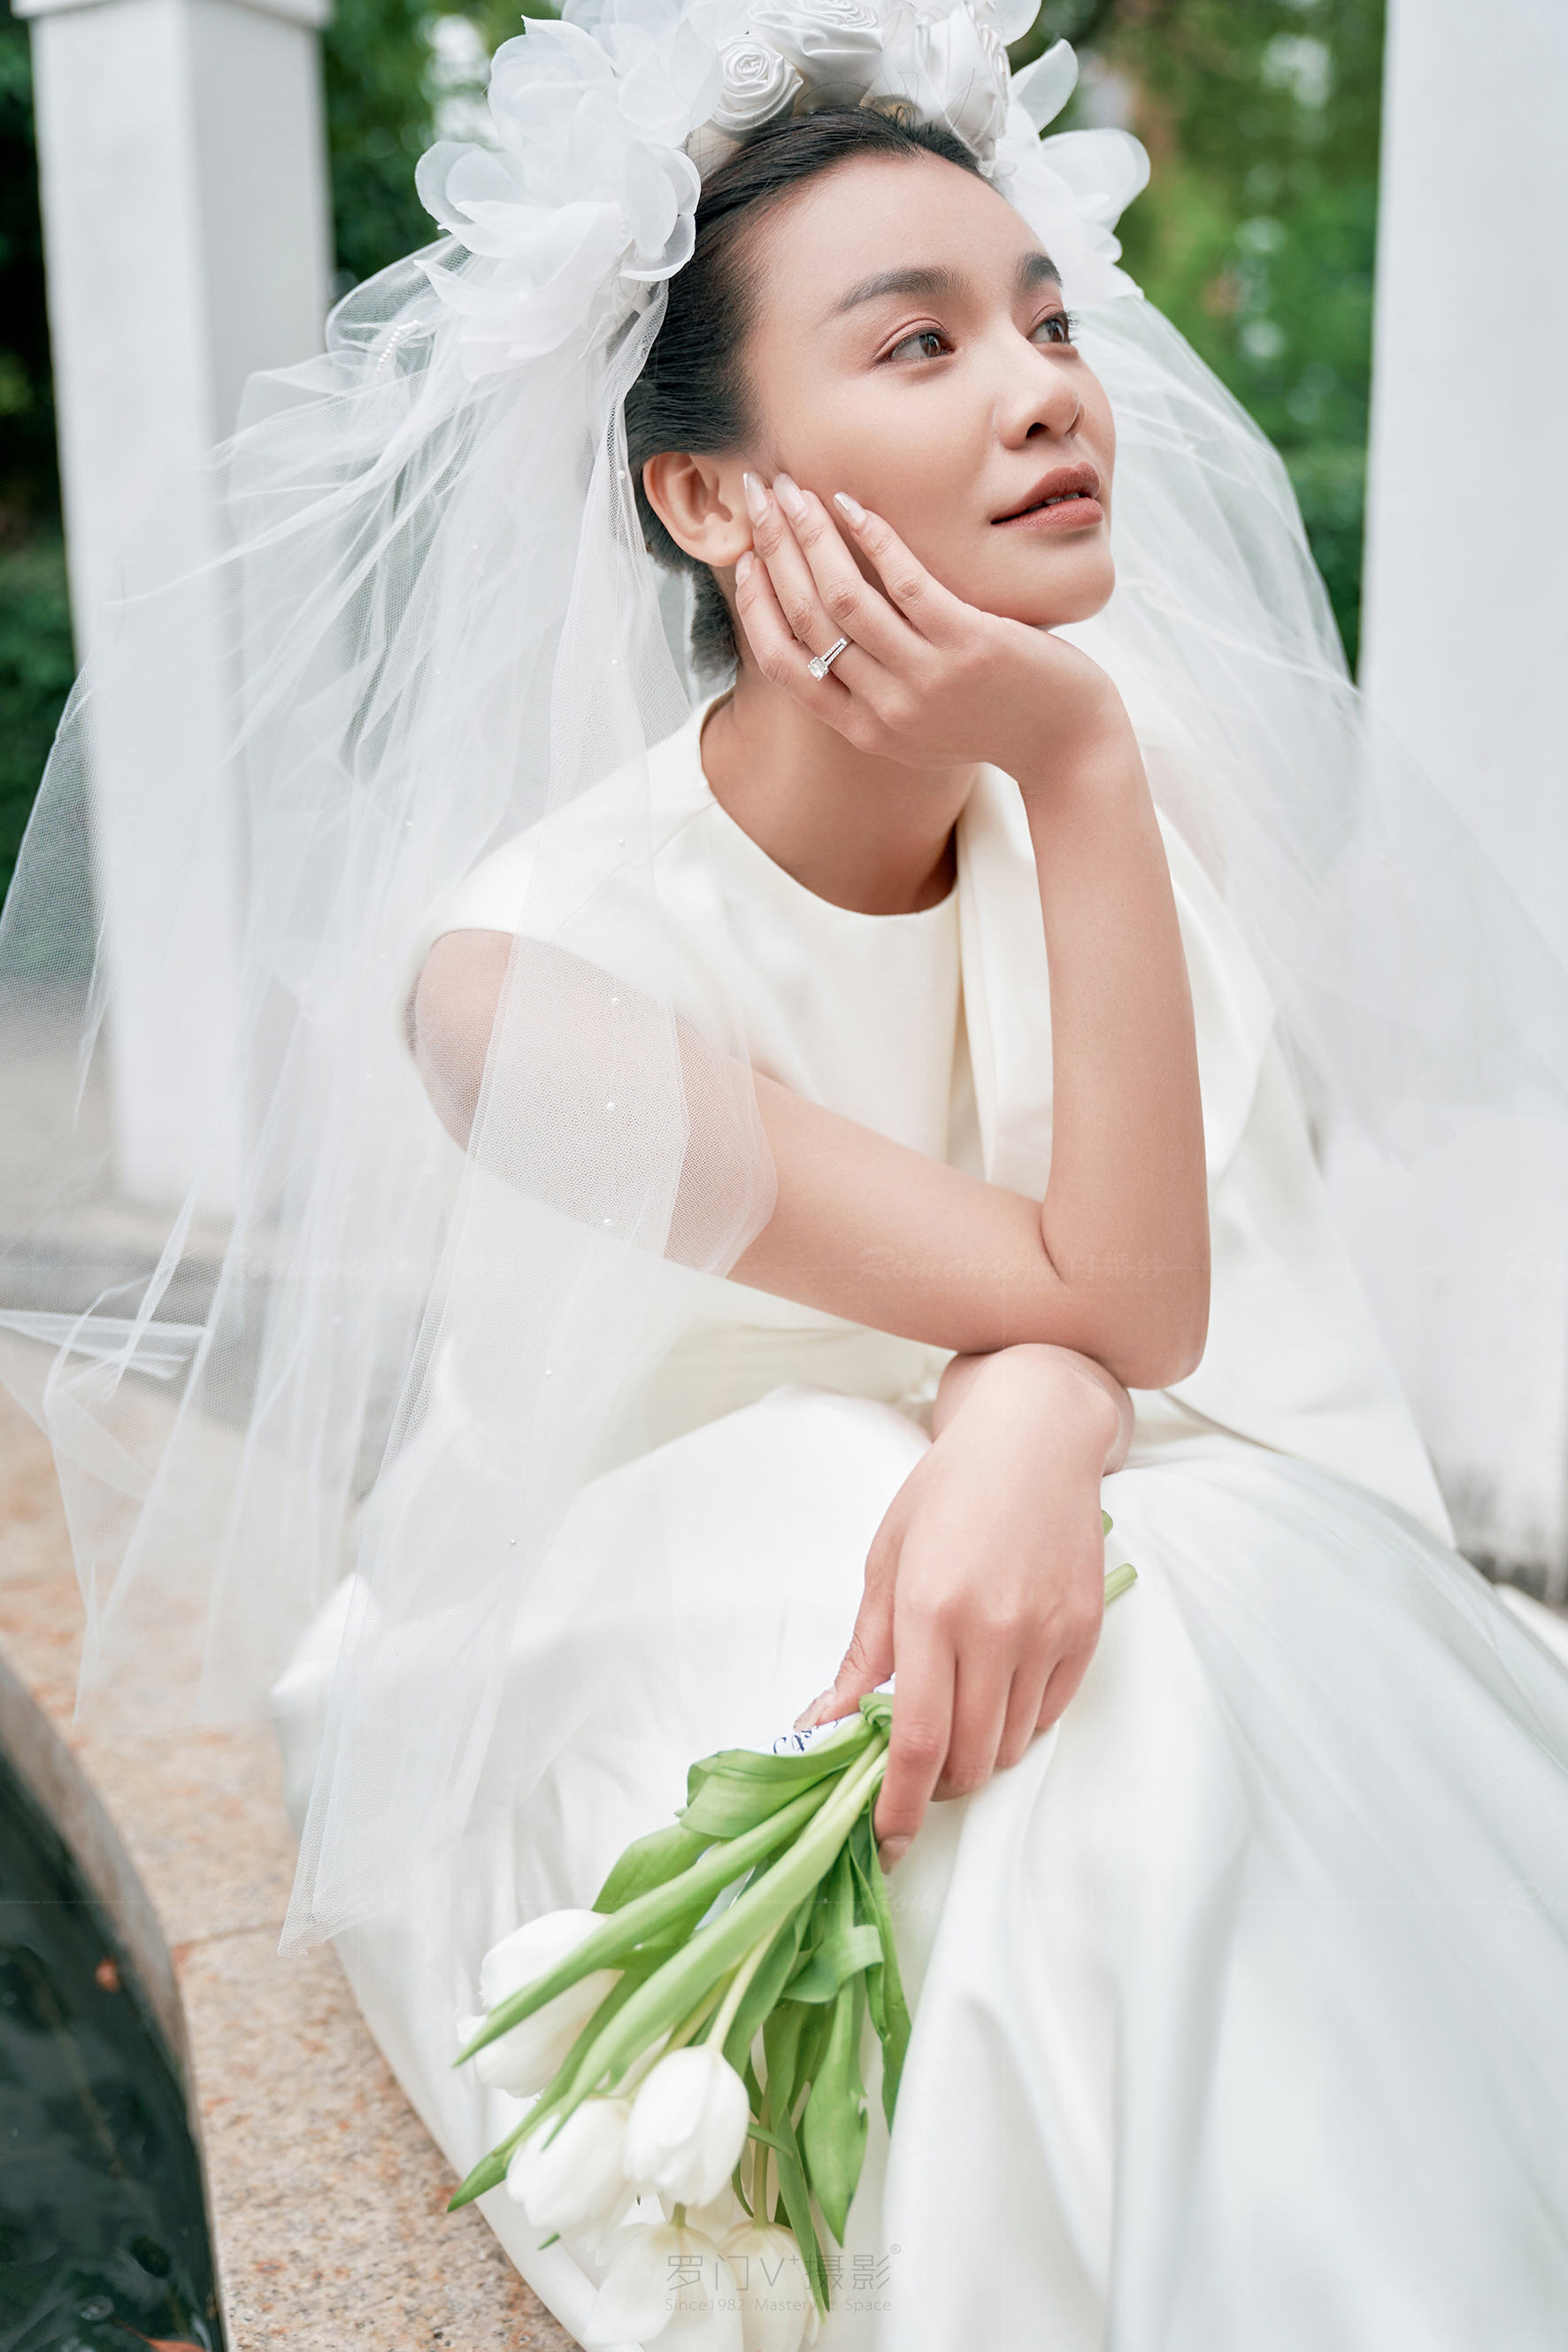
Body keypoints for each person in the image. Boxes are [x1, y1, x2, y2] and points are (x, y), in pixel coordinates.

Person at [6, 8, 1568, 2348]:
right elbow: (1125, 1306)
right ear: (710, 498)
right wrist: (1053, 1374)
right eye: (919, 343)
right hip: (675, 1558)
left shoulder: (1115, 786)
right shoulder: (517, 981)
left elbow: (1142, 1316)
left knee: (1197, 1617)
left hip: (1088, 1503)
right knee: (1074, 1645)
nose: (1045, 392)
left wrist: (1030, 1382)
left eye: (1049, 321)